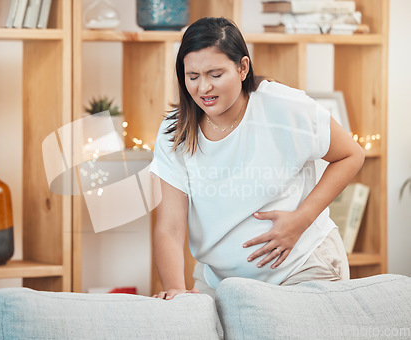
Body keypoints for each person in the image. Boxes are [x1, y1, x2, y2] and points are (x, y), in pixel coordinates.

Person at [149, 17, 365, 302]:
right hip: (219, 280)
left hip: (302, 266)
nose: (203, 88)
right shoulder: (174, 132)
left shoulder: (283, 107)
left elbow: (351, 154)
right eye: (193, 76)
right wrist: (176, 290)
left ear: (242, 68)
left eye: (215, 74)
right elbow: (170, 227)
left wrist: (301, 220)